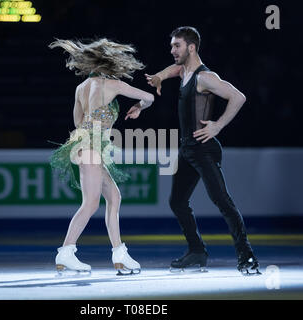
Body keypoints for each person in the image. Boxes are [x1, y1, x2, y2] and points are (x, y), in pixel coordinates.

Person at [145, 26, 260, 274]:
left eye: (177, 45)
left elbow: (238, 97)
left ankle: (247, 256)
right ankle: (197, 251)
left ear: (191, 47)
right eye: (172, 45)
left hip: (204, 149)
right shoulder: (183, 71)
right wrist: (158, 77)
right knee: (177, 201)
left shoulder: (204, 77)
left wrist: (218, 125)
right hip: (188, 149)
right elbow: (173, 70)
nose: (172, 49)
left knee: (223, 202)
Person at [48, 38, 154, 275]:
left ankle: (119, 253)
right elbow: (150, 98)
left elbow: (78, 123)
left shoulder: (81, 88)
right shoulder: (112, 85)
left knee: (114, 197)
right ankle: (65, 252)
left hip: (83, 144)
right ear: (110, 62)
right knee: (91, 203)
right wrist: (138, 107)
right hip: (92, 148)